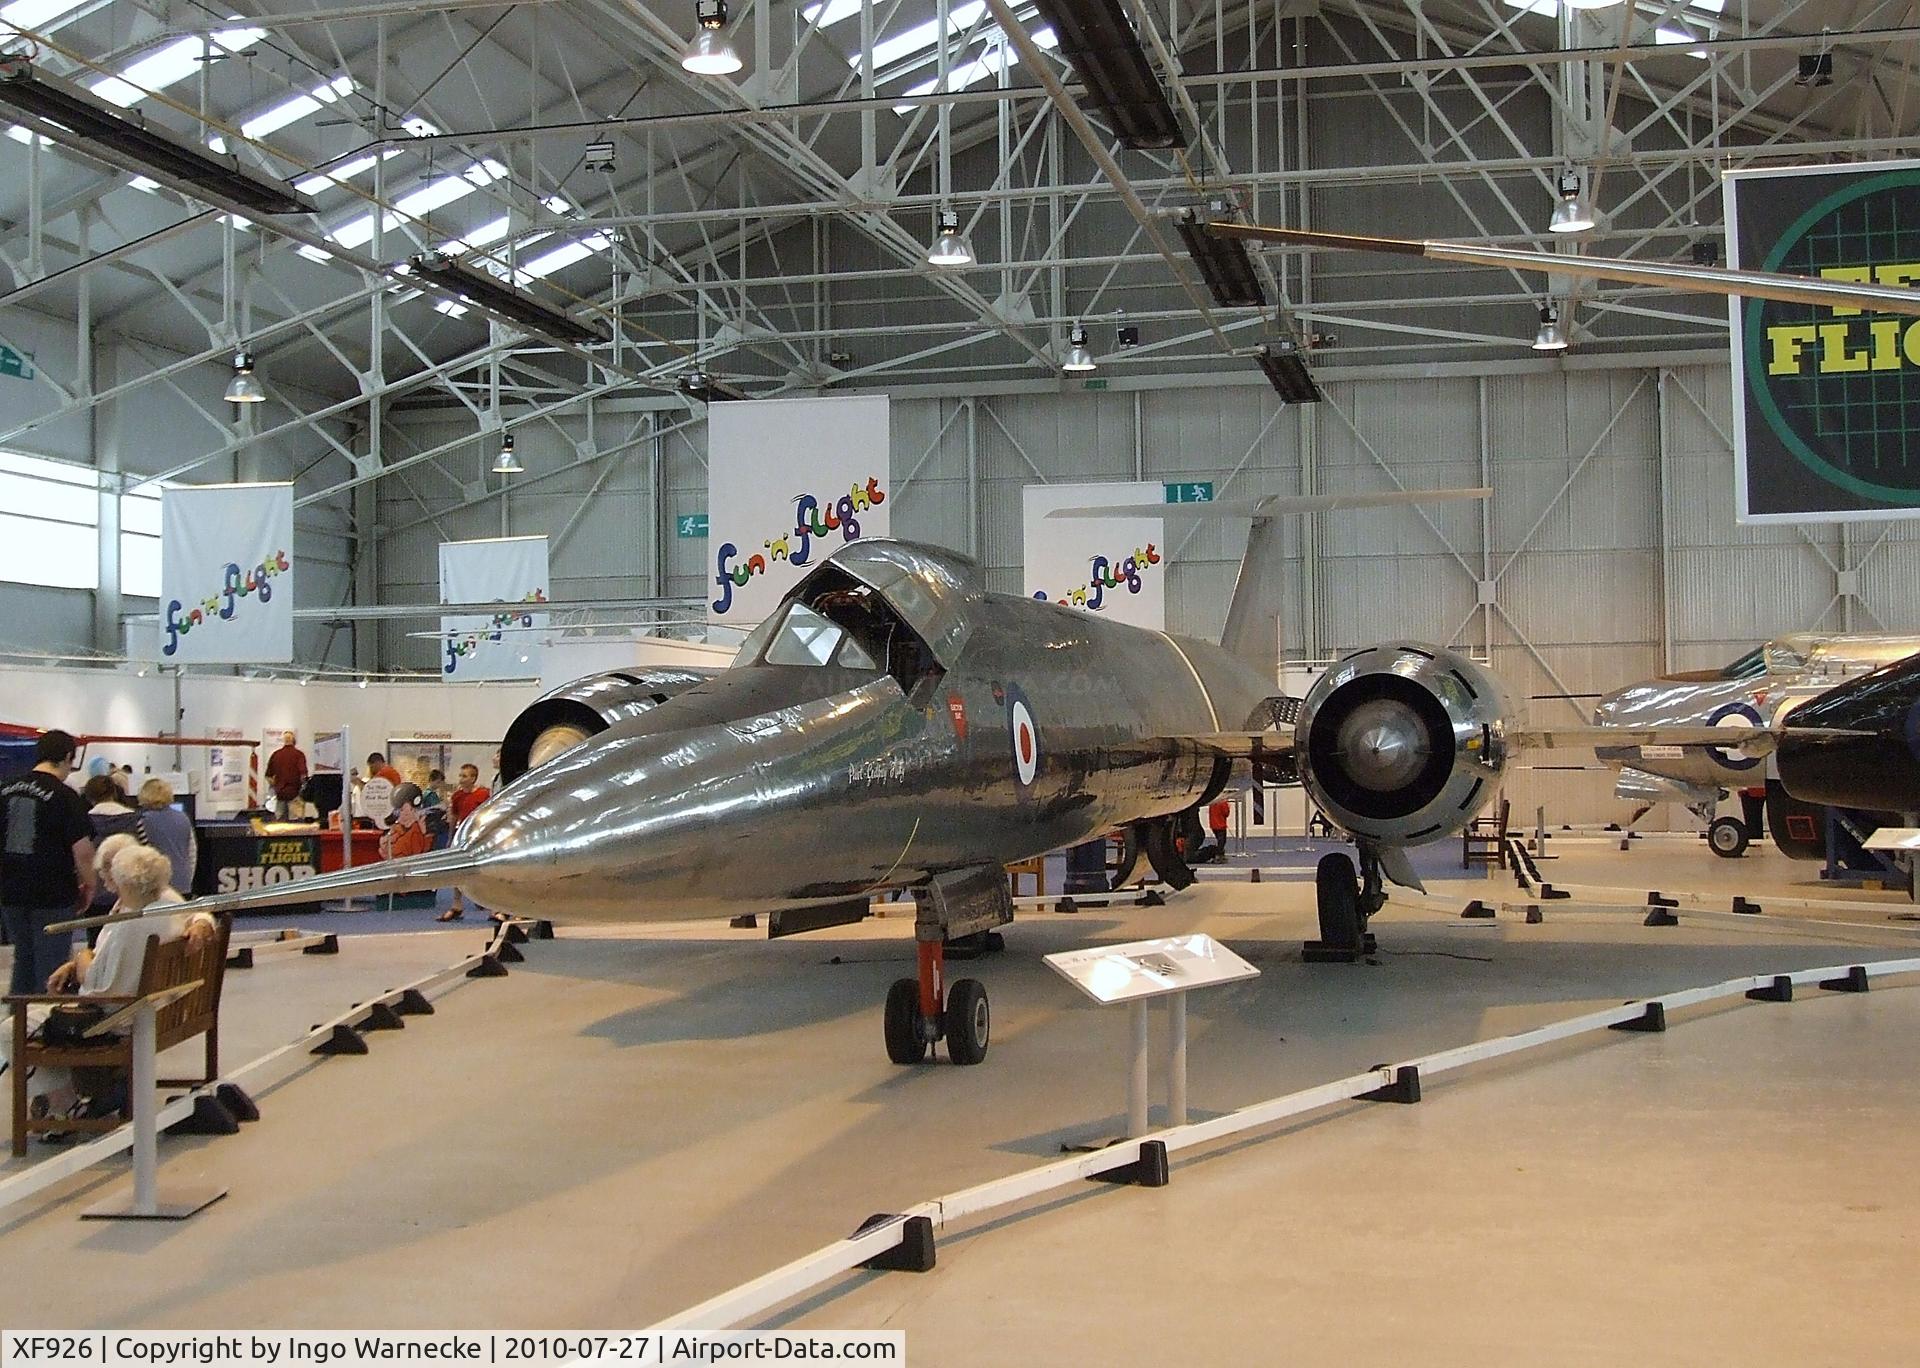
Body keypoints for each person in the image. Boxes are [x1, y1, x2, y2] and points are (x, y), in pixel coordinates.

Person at [6, 844, 213, 1129]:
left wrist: (81, 958)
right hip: (159, 1011)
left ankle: (64, 1103)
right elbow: (202, 912)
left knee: (9, 1030)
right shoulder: (166, 906)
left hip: (116, 1020)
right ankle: (72, 1098)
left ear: (123, 881)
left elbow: (97, 989)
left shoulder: (133, 924)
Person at [0, 730, 95, 997]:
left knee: (24, 960)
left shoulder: (4, 789)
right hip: (52, 893)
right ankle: (45, 1024)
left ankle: (17, 1026)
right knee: (52, 965)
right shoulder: (65, 797)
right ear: (67, 756)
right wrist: (89, 885)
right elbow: (83, 851)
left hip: (11, 893)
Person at [438, 765, 493, 921]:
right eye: (460, 775)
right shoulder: (457, 796)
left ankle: (492, 905)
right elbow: (454, 817)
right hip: (462, 837)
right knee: (458, 869)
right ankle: (457, 905)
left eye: (464, 776)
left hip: (479, 837)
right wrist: (451, 837)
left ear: (473, 778)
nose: (461, 779)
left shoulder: (484, 794)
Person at [135, 777, 197, 897]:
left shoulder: (143, 820)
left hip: (157, 886)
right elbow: (192, 852)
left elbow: (143, 854)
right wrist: (187, 878)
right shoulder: (183, 817)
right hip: (183, 882)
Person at [379, 783, 432, 861]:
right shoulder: (395, 832)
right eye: (401, 810)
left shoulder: (415, 831)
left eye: (411, 810)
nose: (405, 815)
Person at [265, 731, 309, 821]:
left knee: (279, 823)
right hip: (295, 793)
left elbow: (268, 776)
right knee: (295, 824)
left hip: (280, 794)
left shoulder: (276, 754)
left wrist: (275, 786)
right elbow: (303, 775)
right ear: (294, 740)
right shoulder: (299, 755)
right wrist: (303, 788)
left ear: (284, 740)